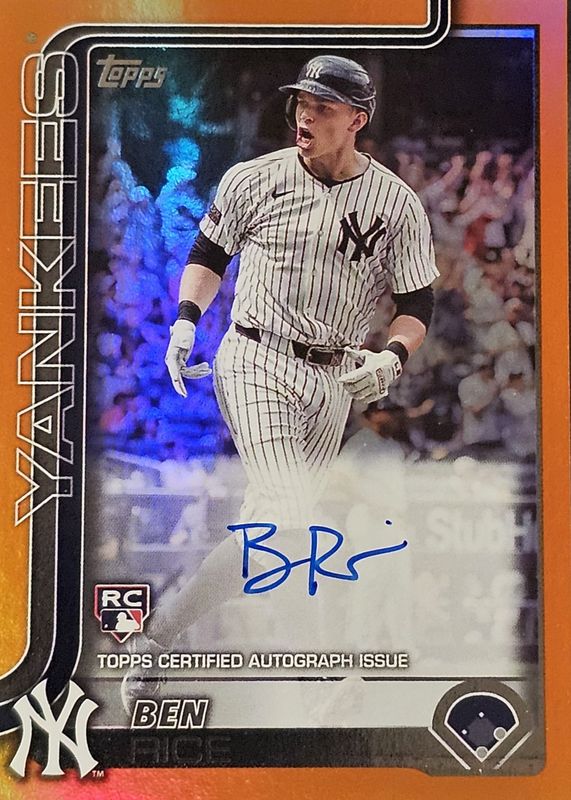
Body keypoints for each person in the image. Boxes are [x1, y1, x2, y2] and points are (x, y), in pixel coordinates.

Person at [122, 55, 438, 710]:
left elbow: (417, 303)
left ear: (357, 118)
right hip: (255, 357)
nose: (304, 115)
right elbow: (208, 254)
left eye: (322, 106)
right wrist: (185, 322)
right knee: (290, 517)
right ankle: (314, 677)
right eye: (300, 102)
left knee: (270, 541)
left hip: (334, 379)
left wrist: (393, 357)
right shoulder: (255, 178)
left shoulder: (396, 203)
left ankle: (156, 637)